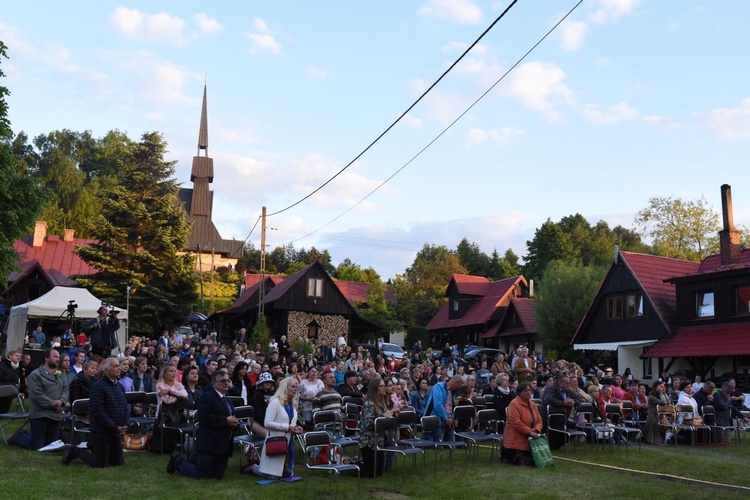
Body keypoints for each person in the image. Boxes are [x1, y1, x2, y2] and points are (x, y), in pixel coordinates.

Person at [167, 369, 240, 479]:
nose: (226, 383)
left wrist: (235, 424)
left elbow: (230, 419)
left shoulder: (228, 401)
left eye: (228, 380)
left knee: (217, 476)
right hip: (209, 444)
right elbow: (204, 417)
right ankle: (177, 460)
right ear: (214, 384)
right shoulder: (208, 397)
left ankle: (194, 458)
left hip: (223, 446)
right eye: (223, 381)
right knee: (202, 474)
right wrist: (225, 420)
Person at [62, 357, 128, 467]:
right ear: (107, 370)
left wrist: (124, 425)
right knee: (100, 464)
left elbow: (124, 407)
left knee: (118, 463)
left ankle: (92, 446)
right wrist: (114, 427)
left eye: (118, 366)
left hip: (115, 430)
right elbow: (98, 412)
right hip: (102, 430)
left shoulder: (119, 387)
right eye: (115, 366)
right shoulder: (98, 386)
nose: (119, 368)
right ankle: (74, 450)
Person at [14, 349, 70, 450]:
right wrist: (53, 403)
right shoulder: (35, 375)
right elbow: (36, 395)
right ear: (46, 358)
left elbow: (66, 390)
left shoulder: (60, 374)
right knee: (37, 447)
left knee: (50, 446)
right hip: (40, 414)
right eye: (55, 357)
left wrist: (62, 401)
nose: (58, 359)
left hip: (55, 415)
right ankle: (19, 436)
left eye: (58, 357)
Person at [259, 377, 303, 479]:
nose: (295, 389)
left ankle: (286, 469)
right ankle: (253, 468)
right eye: (292, 386)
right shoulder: (275, 402)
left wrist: (296, 428)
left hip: (289, 440)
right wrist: (287, 428)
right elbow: (267, 423)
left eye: (296, 387)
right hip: (276, 440)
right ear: (284, 387)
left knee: (286, 475)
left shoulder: (293, 404)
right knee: (272, 476)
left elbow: (292, 422)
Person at [358, 376, 396, 477]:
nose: (384, 388)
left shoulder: (381, 404)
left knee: (379, 472)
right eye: (381, 386)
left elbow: (385, 421)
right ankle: (351, 466)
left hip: (379, 442)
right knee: (371, 474)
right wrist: (383, 416)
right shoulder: (369, 404)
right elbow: (368, 424)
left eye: (384, 386)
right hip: (368, 442)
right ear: (375, 389)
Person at [500, 381, 543, 466]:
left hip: (531, 439)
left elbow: (539, 421)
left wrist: (536, 429)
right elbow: (516, 424)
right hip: (515, 444)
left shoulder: (533, 405)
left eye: (530, 390)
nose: (528, 392)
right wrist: (530, 432)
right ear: (519, 393)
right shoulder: (514, 405)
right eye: (525, 391)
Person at [425, 375, 464, 442]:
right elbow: (438, 405)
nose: (459, 388)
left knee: (451, 445)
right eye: (459, 385)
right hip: (437, 419)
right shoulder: (438, 387)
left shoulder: (454, 392)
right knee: (439, 445)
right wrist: (446, 418)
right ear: (456, 382)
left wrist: (451, 418)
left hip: (449, 419)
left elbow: (453, 406)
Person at [644, 381, 671, 445]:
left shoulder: (660, 395)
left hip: (661, 415)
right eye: (661, 387)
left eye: (664, 387)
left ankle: (662, 440)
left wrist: (665, 394)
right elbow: (663, 403)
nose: (663, 388)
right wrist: (661, 393)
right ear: (656, 387)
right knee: (656, 424)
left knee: (666, 425)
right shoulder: (651, 397)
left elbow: (668, 403)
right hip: (653, 415)